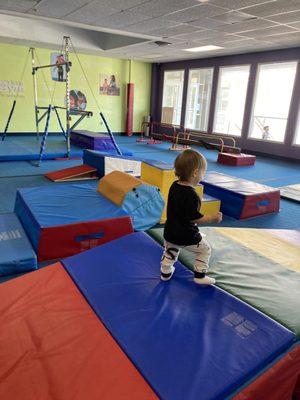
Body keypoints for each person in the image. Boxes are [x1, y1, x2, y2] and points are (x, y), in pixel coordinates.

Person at [160, 149, 222, 285]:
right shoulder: (192, 195)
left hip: (170, 231)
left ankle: (165, 271)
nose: (203, 175)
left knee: (171, 250)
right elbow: (195, 218)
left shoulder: (174, 185)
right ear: (195, 173)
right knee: (205, 250)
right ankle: (200, 275)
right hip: (187, 235)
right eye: (203, 172)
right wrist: (213, 218)